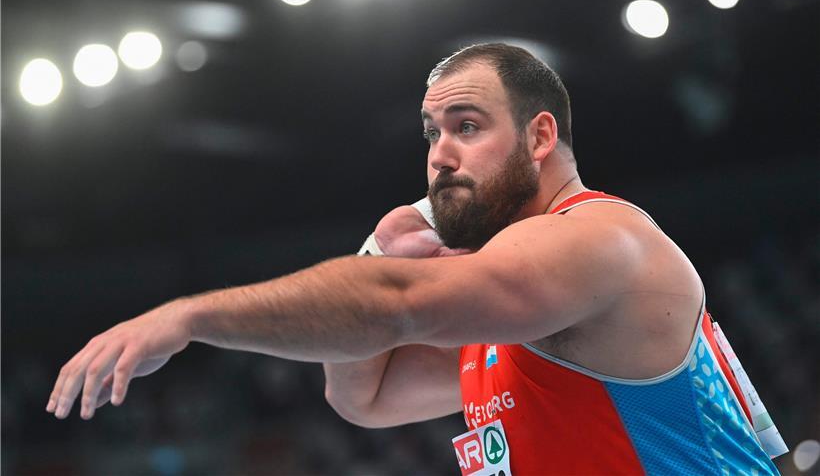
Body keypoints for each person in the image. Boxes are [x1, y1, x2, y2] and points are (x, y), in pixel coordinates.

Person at [47, 44, 785, 475]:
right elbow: (362, 398)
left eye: (467, 126)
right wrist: (375, 252)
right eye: (432, 133)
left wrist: (191, 316)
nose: (440, 155)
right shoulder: (525, 312)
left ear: (539, 137)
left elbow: (395, 304)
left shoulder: (595, 239)